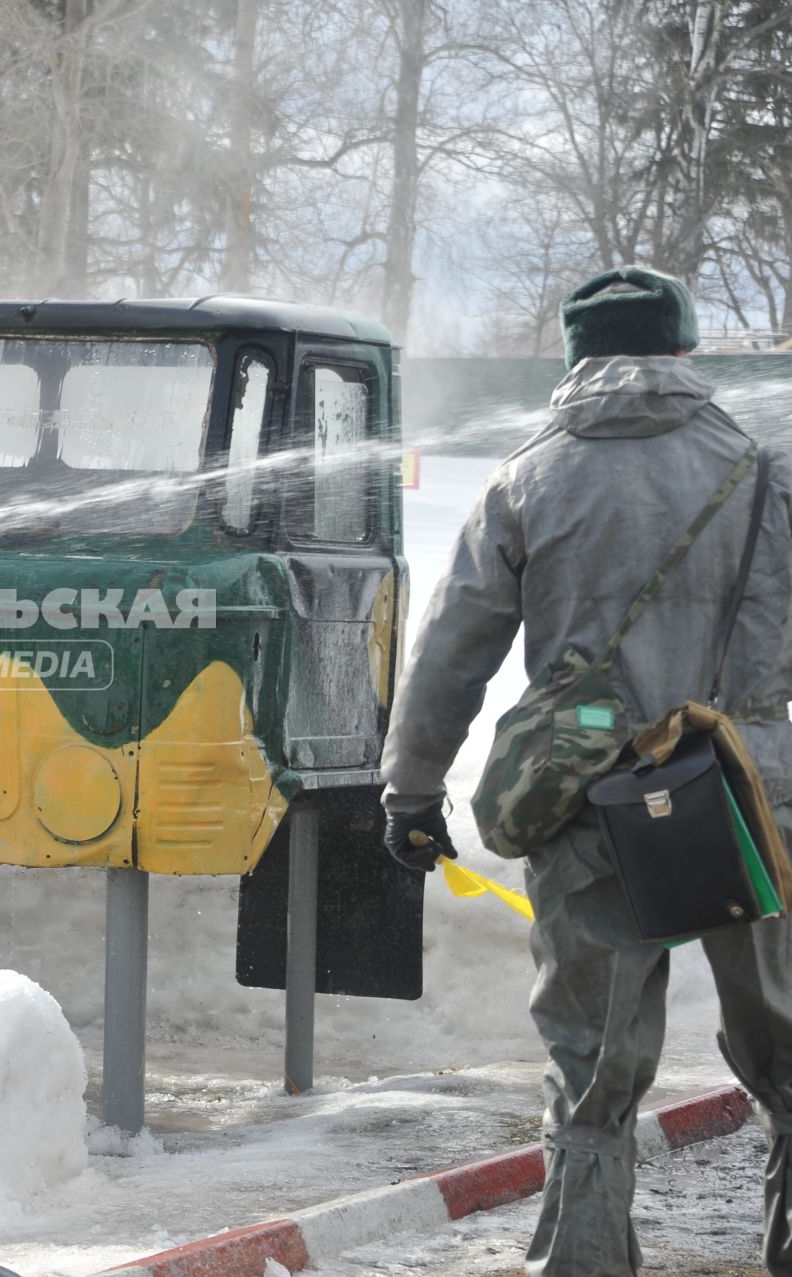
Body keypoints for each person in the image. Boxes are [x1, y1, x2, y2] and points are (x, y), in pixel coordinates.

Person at [381, 265, 792, 1276]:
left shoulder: (528, 476)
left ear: (575, 357)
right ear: (684, 352)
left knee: (592, 1076)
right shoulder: (764, 468)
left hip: (592, 805)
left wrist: (413, 788)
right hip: (755, 800)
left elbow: (450, 653)